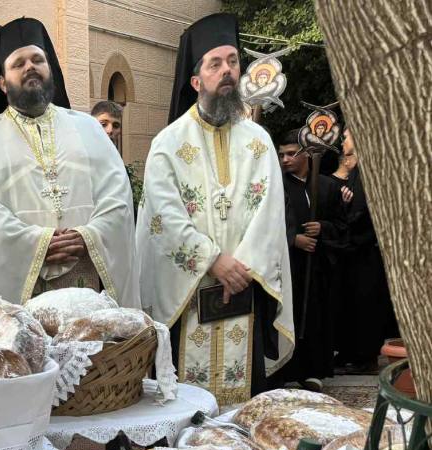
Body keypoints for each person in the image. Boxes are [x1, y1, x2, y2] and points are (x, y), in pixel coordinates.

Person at [136, 13, 294, 406]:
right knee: (185, 411)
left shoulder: (259, 142)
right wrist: (212, 260)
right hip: (188, 297)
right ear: (195, 81)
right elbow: (163, 217)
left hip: (245, 290)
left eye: (233, 61)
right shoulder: (168, 144)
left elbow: (270, 214)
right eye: (215, 63)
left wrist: (239, 269)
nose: (227, 70)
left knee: (244, 412)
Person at [0, 18, 138, 310]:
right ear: (2, 82)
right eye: (18, 63)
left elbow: (117, 196)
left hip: (85, 282)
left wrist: (88, 236)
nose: (30, 67)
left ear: (50, 69)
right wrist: (36, 244)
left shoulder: (89, 129)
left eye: (38, 60)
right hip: (19, 299)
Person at [275, 131, 346, 390]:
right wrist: (293, 238)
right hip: (288, 265)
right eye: (281, 154)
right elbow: (267, 222)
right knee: (287, 314)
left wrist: (323, 228)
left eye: (291, 153)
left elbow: (342, 225)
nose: (285, 159)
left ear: (306, 154)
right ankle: (284, 369)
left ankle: (313, 371)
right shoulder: (276, 185)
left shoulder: (328, 186)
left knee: (316, 315)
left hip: (317, 267)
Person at [332, 126, 397, 372]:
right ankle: (350, 352)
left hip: (365, 249)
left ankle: (365, 357)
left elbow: (364, 212)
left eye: (346, 137)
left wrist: (346, 209)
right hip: (354, 250)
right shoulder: (357, 171)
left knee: (365, 304)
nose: (343, 143)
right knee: (351, 303)